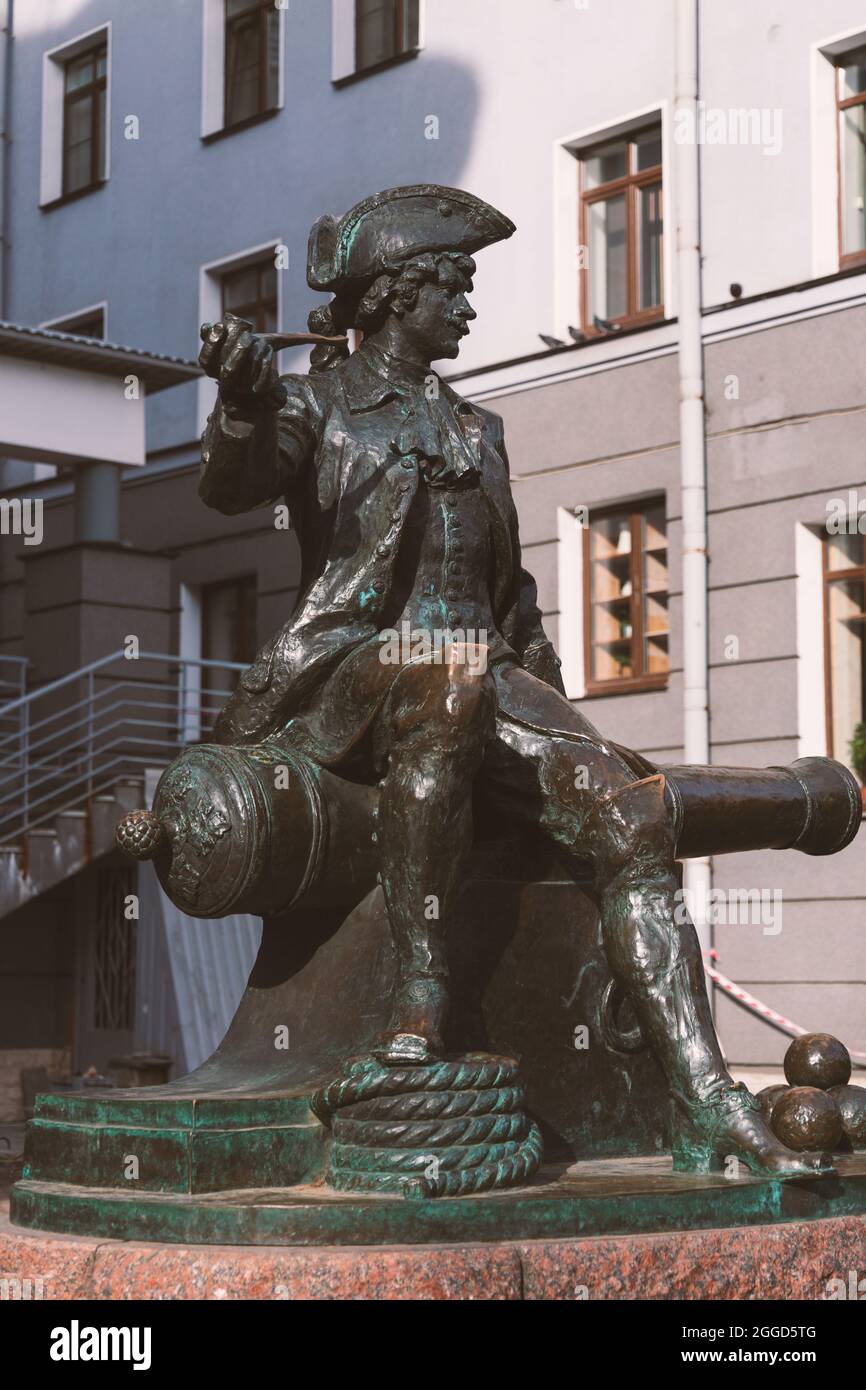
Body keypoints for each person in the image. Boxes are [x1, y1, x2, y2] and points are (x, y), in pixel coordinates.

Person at [198, 184, 829, 1176]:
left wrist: (561, 715)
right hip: (355, 675)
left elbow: (511, 597)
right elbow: (232, 486)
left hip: (480, 677)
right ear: (392, 295)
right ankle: (419, 997)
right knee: (443, 678)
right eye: (450, 286)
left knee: (632, 815)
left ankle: (705, 1102)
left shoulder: (477, 428)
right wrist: (237, 404)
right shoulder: (314, 405)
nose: (467, 307)